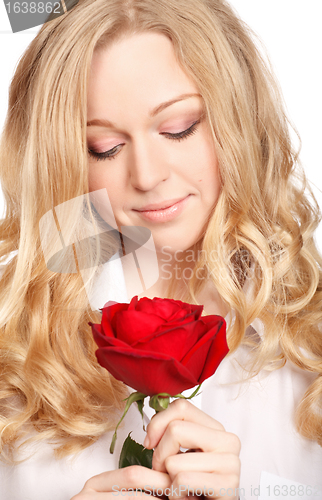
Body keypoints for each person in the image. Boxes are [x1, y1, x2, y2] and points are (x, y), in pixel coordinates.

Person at [0, 0, 321, 499]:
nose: (147, 176)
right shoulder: (16, 356)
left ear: (240, 123)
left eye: (179, 128)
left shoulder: (310, 351)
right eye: (104, 146)